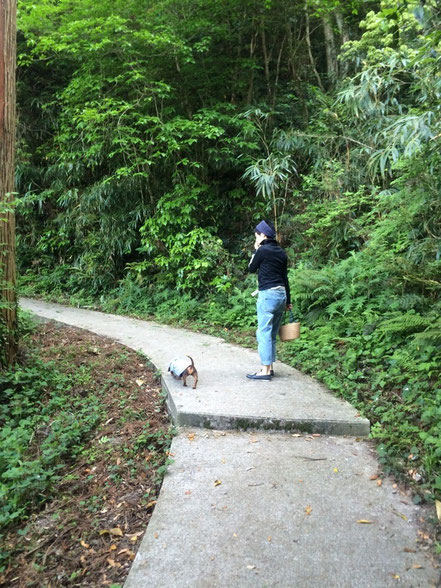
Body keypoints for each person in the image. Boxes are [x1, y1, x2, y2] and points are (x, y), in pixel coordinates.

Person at [247, 220, 292, 380]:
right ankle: (270, 367)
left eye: (256, 236)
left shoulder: (263, 250)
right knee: (272, 333)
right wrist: (288, 301)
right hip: (281, 295)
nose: (256, 239)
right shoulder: (281, 252)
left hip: (268, 295)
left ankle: (265, 371)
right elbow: (285, 278)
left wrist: (255, 251)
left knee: (263, 332)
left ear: (263, 235)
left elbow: (251, 268)